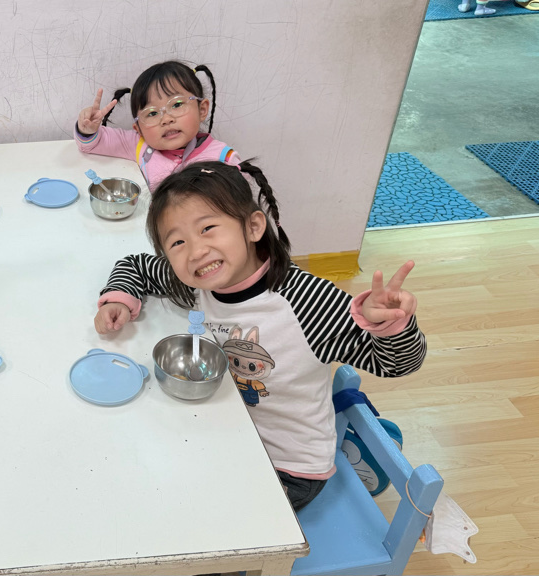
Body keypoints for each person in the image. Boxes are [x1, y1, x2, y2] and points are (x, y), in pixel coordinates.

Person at [93, 161, 426, 510]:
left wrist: (391, 324)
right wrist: (119, 298)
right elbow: (136, 266)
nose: (196, 251)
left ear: (253, 226)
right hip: (229, 430)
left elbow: (397, 364)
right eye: (177, 242)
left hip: (288, 468)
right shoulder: (196, 282)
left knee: (194, 509)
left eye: (208, 228)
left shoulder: (307, 303)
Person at [74, 61, 242, 191]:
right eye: (152, 113)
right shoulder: (139, 144)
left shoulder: (224, 159)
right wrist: (88, 130)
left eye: (177, 104)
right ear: (139, 129)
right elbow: (93, 144)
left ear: (202, 109)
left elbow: (239, 207)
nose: (166, 119)